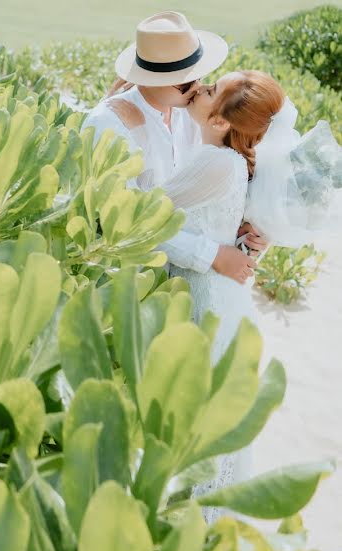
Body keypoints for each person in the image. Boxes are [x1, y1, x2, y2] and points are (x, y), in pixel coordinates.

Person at [109, 70, 287, 523]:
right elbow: (222, 225)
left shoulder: (216, 163)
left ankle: (191, 521)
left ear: (223, 122)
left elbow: (147, 215)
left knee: (192, 412)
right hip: (220, 296)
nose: (199, 87)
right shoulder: (223, 156)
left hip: (203, 298)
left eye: (210, 90)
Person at [82, 11, 269, 283]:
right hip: (127, 278)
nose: (198, 87)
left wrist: (249, 225)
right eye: (185, 82)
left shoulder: (192, 112)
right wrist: (212, 255)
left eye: (200, 75)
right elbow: (123, 215)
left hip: (184, 280)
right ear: (149, 77)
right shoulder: (108, 124)